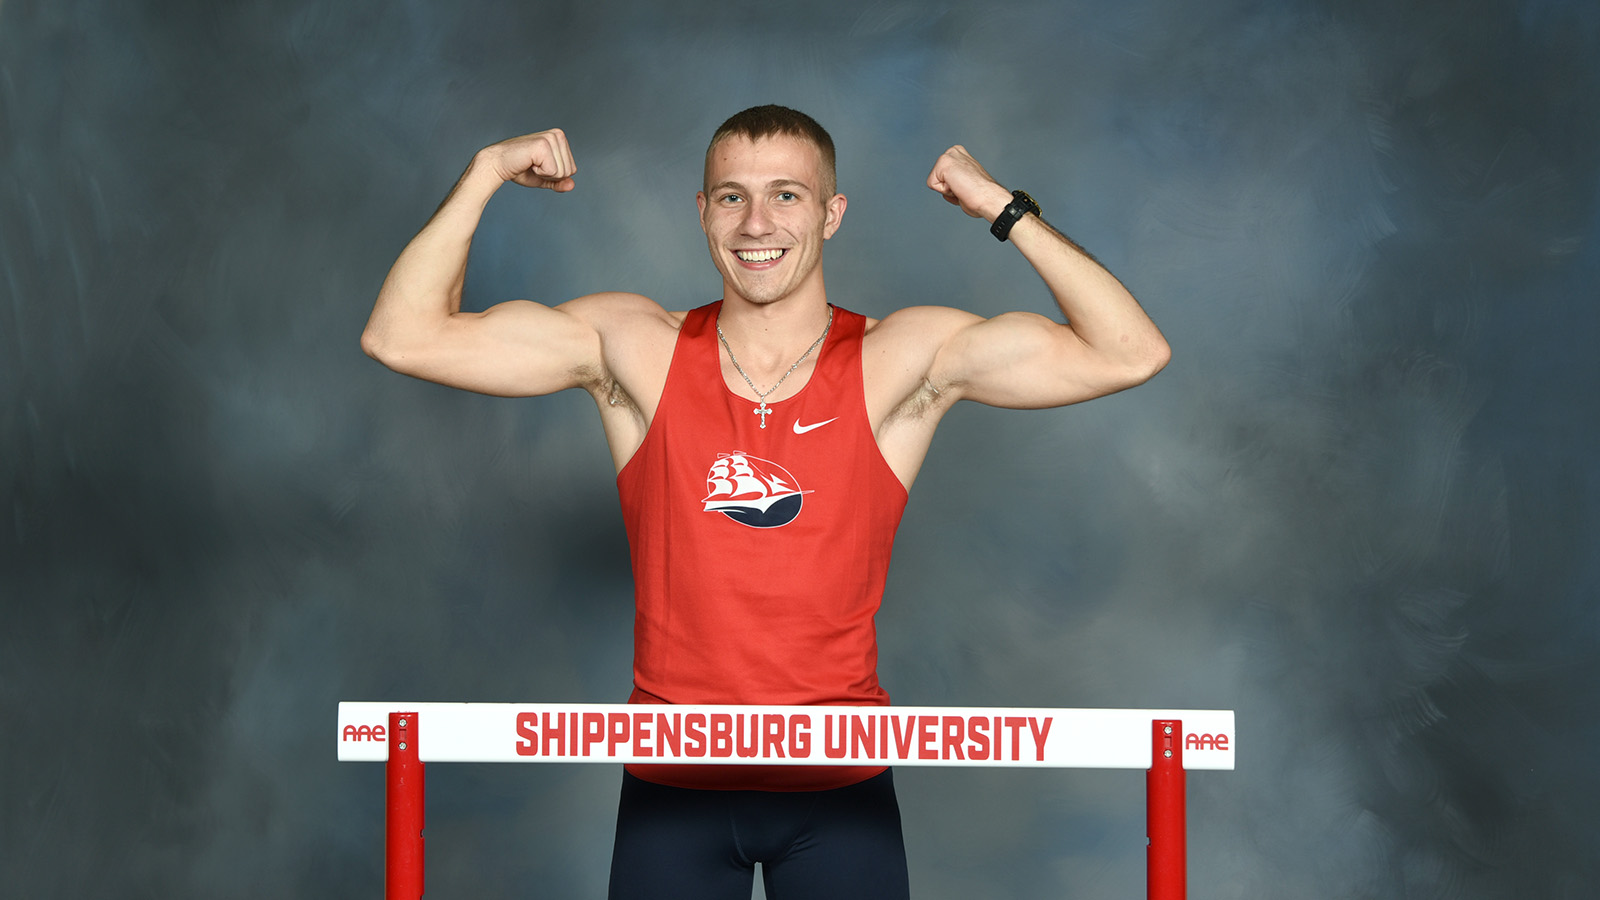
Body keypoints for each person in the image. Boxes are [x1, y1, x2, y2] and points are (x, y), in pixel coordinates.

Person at [362, 105, 1169, 899]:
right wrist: (484, 174)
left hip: (839, 785)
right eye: (731, 196)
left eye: (786, 194)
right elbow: (403, 336)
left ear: (831, 214)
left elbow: (1130, 351)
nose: (757, 222)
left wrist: (1002, 207)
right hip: (673, 781)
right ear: (703, 213)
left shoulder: (899, 357)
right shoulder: (635, 348)